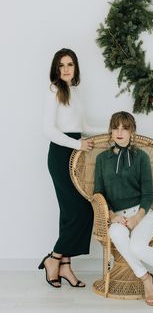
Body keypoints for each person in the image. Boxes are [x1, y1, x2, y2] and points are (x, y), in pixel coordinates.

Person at [93, 111, 153, 305]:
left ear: (132, 132)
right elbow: (98, 192)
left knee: (137, 247)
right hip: (117, 217)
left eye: (124, 128)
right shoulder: (102, 159)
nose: (119, 132)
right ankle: (146, 279)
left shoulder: (141, 157)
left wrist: (136, 218)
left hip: (141, 214)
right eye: (115, 128)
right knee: (116, 234)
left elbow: (147, 194)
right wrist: (111, 215)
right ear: (110, 131)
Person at [38, 48, 94, 288]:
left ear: (76, 67)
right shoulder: (54, 91)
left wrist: (111, 131)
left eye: (70, 64)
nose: (66, 69)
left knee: (70, 213)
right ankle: (54, 258)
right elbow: (49, 130)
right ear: (56, 69)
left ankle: (65, 267)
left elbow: (83, 126)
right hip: (61, 155)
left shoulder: (76, 91)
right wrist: (77, 144)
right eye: (61, 65)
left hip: (76, 153)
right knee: (80, 211)